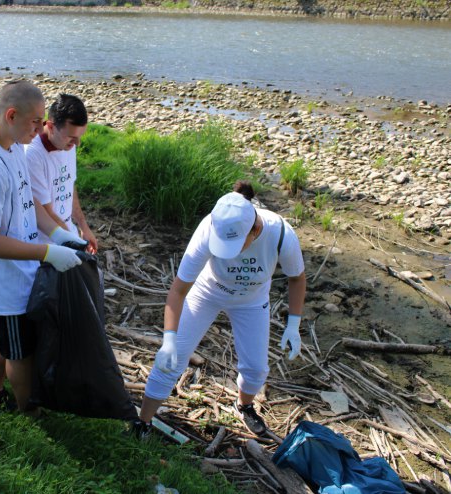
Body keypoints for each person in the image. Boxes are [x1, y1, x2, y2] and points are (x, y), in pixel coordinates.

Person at [135, 181, 306, 437]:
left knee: (257, 369)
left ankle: (245, 406)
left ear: (255, 230)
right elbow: (178, 290)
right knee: (171, 359)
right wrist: (169, 339)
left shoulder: (280, 233)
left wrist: (293, 324)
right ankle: (143, 422)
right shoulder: (209, 228)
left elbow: (297, 278)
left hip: (251, 300)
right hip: (208, 292)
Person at [0, 81, 86, 412]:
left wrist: (59, 235)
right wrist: (47, 252)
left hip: (20, 272)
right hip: (4, 282)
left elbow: (29, 204)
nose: (41, 128)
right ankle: (29, 413)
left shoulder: (14, 147)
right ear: (11, 114)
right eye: (35, 121)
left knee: (7, 338)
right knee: (22, 352)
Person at [25, 93, 98, 254]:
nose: (77, 143)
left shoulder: (67, 144)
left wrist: (83, 227)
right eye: (72, 137)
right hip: (45, 242)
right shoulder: (32, 155)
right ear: (50, 127)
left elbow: (69, 185)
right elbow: (46, 212)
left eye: (79, 137)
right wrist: (76, 244)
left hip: (67, 230)